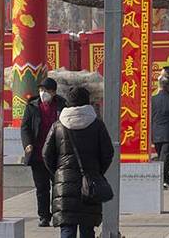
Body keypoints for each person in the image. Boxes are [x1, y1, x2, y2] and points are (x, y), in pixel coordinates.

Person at [43, 85, 115, 238]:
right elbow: (108, 153)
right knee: (87, 230)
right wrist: (97, 172)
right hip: (89, 185)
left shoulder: (57, 126)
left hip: (64, 185)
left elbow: (46, 155)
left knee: (67, 230)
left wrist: (58, 173)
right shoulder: (97, 125)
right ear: (87, 102)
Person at [21, 77, 66, 227]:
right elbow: (25, 127)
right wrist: (27, 144)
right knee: (42, 188)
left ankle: (58, 215)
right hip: (38, 154)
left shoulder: (62, 105)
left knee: (58, 187)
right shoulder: (32, 106)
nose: (43, 93)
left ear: (53, 92)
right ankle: (44, 216)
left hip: (57, 154)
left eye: (46, 90)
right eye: (41, 90)